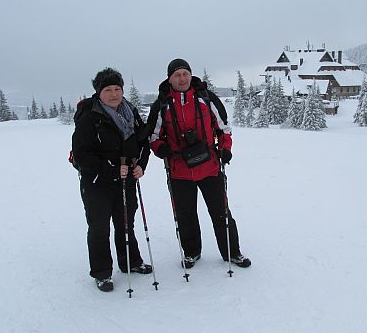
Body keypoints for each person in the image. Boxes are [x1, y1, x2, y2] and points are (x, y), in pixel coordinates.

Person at [146, 58, 251, 269]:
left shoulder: (206, 98)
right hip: (179, 170)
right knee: (185, 215)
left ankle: (232, 252)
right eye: (177, 75)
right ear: (170, 78)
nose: (182, 78)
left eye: (185, 73)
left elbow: (223, 128)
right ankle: (192, 252)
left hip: (210, 166)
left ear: (190, 75)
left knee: (221, 211)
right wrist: (161, 149)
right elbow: (153, 136)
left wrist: (225, 149)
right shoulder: (162, 104)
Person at [72, 67, 152, 292]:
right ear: (99, 92)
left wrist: (140, 165)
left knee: (126, 223)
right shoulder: (90, 117)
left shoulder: (131, 113)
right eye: (108, 89)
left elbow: (143, 142)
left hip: (126, 180)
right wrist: (112, 169)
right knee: (99, 228)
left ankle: (131, 262)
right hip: (97, 183)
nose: (114, 94)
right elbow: (82, 155)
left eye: (117, 88)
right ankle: (102, 272)